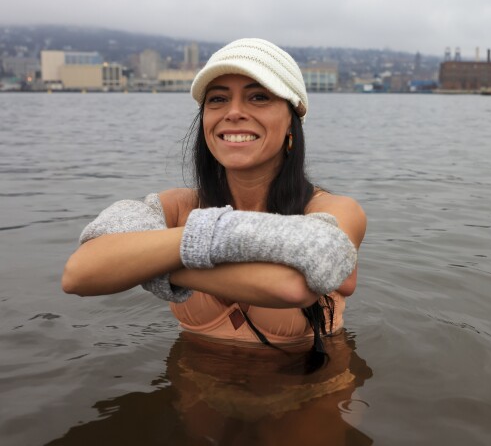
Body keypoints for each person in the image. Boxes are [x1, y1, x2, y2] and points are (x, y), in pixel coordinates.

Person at [62, 38, 366, 366]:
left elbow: (292, 287)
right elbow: (79, 272)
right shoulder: (177, 206)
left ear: (292, 122)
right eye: (218, 99)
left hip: (308, 387)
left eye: (259, 97)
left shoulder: (333, 210)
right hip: (199, 382)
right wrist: (213, 233)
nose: (234, 112)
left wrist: (153, 265)